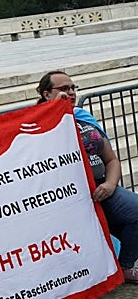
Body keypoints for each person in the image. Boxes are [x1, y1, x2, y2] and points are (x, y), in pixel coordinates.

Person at [36, 70, 138, 283]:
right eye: (63, 89)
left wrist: (110, 184)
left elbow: (111, 159)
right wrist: (56, 110)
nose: (70, 93)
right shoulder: (37, 123)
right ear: (47, 94)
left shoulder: (83, 118)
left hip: (103, 190)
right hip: (69, 197)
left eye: (73, 88)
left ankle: (125, 266)